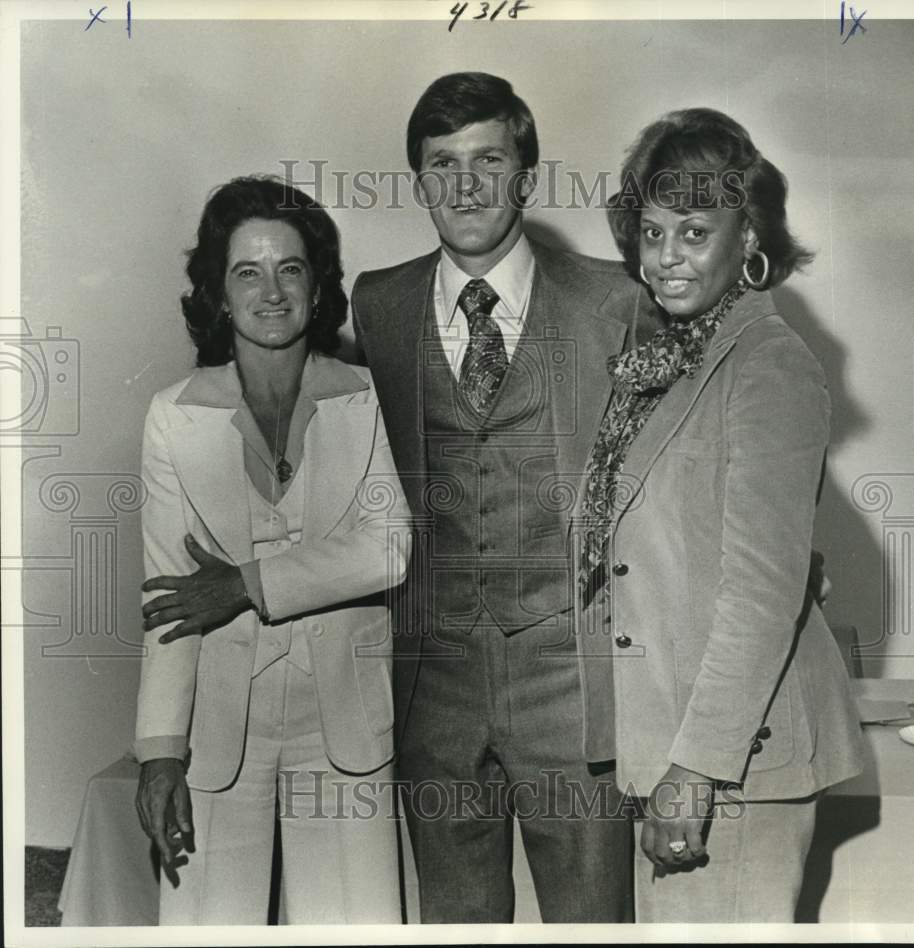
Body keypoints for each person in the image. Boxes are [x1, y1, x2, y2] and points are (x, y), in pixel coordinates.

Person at [350, 73, 654, 923]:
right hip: (433, 685)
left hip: (573, 684)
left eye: (489, 159)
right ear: (419, 182)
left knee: (593, 921)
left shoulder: (611, 301)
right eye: (442, 164)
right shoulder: (380, 301)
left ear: (526, 173)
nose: (467, 184)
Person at [573, 108, 866, 923]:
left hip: (731, 765)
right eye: (652, 231)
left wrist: (693, 771)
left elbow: (761, 594)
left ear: (749, 238)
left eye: (694, 232)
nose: (664, 258)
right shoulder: (669, 359)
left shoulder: (768, 365)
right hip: (674, 749)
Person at [133, 175, 410, 925]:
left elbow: (390, 549)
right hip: (219, 734)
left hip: (346, 728)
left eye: (291, 268)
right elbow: (170, 600)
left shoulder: (367, 395)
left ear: (318, 288)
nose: (272, 291)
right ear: (218, 295)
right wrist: (160, 749)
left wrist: (246, 584)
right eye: (246, 272)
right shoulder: (172, 417)